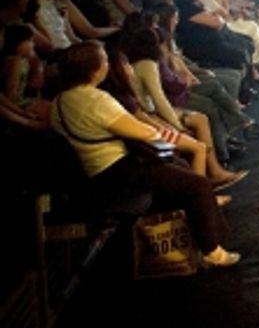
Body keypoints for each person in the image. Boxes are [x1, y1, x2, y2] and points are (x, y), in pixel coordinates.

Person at [49, 40, 241, 267]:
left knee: (182, 169)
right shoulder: (95, 100)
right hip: (120, 169)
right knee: (197, 184)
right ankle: (212, 250)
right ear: (94, 68)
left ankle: (203, 230)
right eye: (104, 59)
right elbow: (143, 133)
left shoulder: (59, 102)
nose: (107, 64)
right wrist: (168, 135)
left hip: (97, 172)